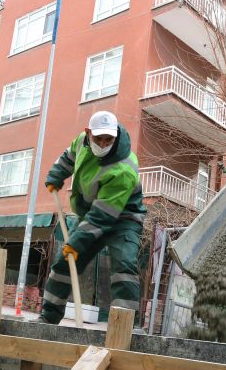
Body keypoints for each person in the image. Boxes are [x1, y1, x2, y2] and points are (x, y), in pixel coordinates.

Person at [35, 111, 146, 326]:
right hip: (91, 214)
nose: (103, 144)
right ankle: (48, 318)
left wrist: (77, 242)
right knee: (64, 264)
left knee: (124, 266)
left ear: (115, 136)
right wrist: (57, 175)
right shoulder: (81, 142)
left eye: (109, 139)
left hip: (123, 219)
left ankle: (125, 328)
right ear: (88, 133)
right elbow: (68, 157)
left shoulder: (123, 169)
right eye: (99, 138)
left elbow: (102, 217)